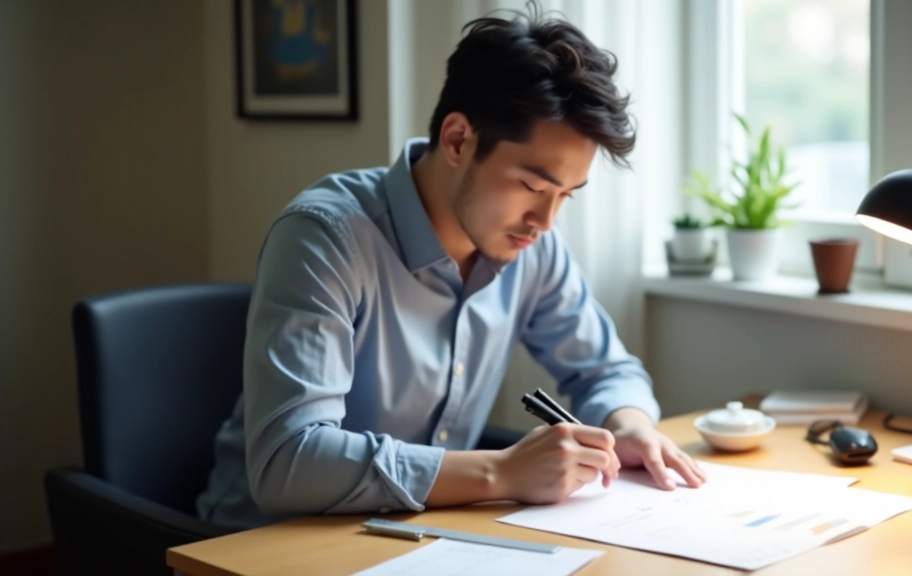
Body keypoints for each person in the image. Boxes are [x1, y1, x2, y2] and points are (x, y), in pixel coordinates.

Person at [197, 2, 706, 530]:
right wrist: (501, 473)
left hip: (411, 539)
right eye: (532, 186)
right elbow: (289, 464)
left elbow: (606, 371)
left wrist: (630, 425)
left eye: (566, 195)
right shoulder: (326, 237)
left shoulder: (531, 245)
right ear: (458, 139)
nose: (545, 221)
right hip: (255, 547)